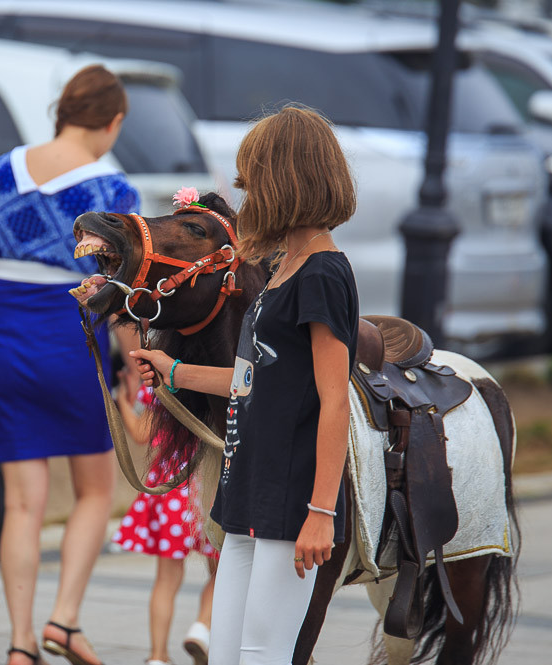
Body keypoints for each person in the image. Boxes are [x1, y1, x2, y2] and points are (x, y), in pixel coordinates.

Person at [129, 106, 359, 665]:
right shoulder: (283, 268)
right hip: (245, 496)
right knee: (228, 656)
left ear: (285, 182)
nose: (247, 192)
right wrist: (174, 371)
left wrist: (321, 512)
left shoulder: (324, 272)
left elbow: (335, 399)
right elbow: (257, 379)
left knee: (262, 656)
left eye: (253, 180)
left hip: (290, 503)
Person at [0, 64, 140, 665]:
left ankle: (19, 642)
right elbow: (126, 291)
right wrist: (137, 367)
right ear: (111, 122)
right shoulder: (115, 191)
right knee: (93, 489)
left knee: (22, 503)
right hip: (72, 335)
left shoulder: (3, 167)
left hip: (4, 328)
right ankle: (63, 620)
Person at [111, 369, 217, 665]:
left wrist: (122, 399)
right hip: (206, 486)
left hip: (169, 490)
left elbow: (141, 434)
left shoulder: (158, 380)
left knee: (166, 579)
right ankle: (201, 627)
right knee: (221, 569)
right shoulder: (212, 376)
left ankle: (157, 657)